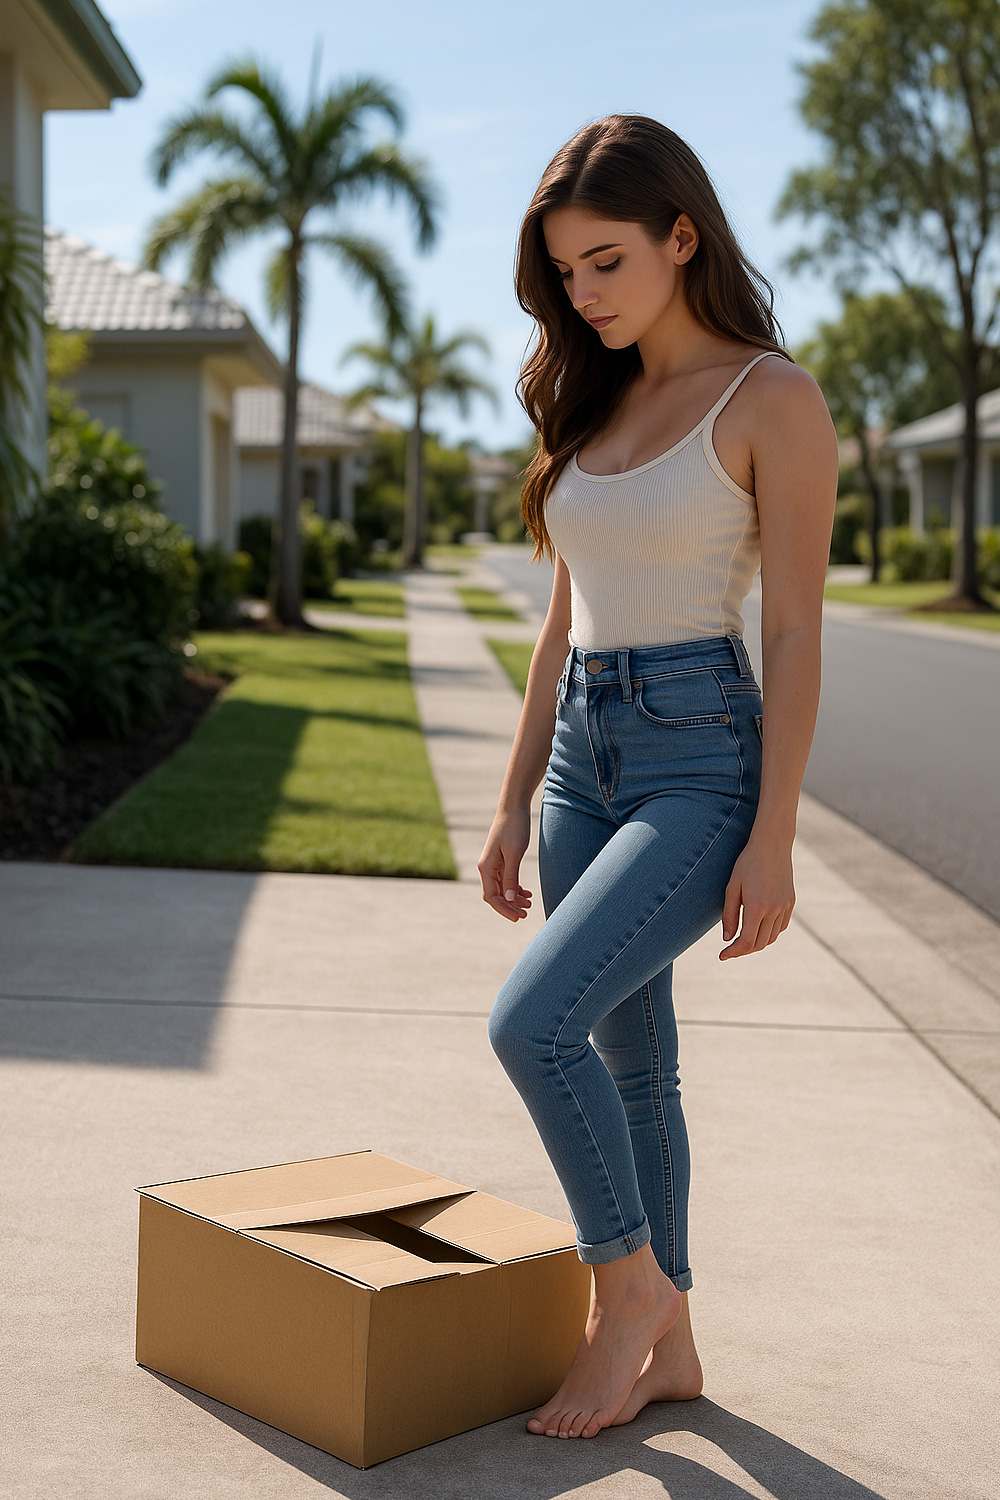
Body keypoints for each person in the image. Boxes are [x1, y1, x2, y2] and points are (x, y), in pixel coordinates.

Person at [478, 115, 838, 1444]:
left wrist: (778, 835)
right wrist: (517, 799)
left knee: (533, 1023)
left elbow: (796, 630)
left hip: (701, 761)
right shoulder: (597, 397)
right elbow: (560, 619)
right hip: (584, 753)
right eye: (567, 273)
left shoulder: (772, 401)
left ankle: (623, 1290)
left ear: (684, 238)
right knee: (635, 1066)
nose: (586, 295)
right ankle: (673, 1348)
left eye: (608, 262)